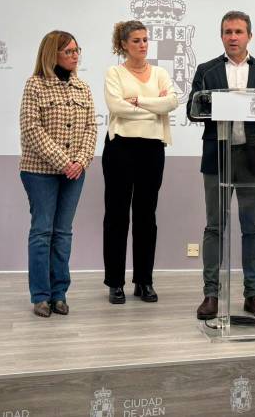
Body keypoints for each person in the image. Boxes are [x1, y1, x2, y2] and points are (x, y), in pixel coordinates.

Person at [186, 11, 255, 320]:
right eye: (228, 32)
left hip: (252, 159)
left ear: (249, 36)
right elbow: (192, 110)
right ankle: (211, 294)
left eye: (239, 31)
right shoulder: (207, 70)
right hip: (218, 157)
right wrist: (213, 103)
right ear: (221, 36)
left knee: (252, 227)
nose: (233, 37)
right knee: (215, 226)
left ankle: (253, 294)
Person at [19, 30, 96, 318]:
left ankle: (59, 293)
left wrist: (81, 160)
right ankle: (40, 296)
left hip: (75, 172)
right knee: (42, 232)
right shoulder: (35, 86)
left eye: (77, 50)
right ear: (53, 55)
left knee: (63, 234)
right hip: (39, 171)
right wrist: (63, 161)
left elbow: (91, 128)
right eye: (69, 51)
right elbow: (31, 129)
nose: (75, 56)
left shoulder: (83, 88)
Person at [102, 20, 178, 304]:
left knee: (147, 216)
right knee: (117, 216)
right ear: (123, 44)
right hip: (120, 147)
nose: (143, 45)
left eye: (145, 39)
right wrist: (151, 105)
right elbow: (116, 106)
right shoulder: (114, 73)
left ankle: (144, 280)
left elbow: (171, 103)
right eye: (136, 40)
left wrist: (138, 102)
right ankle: (115, 283)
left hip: (152, 149)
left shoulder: (160, 73)